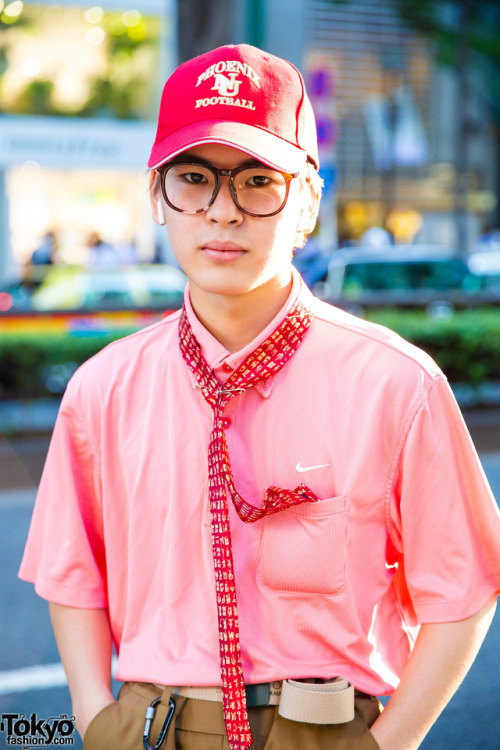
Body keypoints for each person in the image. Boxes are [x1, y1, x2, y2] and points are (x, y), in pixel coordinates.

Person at [19, 44, 500, 750]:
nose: (222, 211)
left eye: (256, 180)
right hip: (150, 726)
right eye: (193, 178)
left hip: (326, 726)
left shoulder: (396, 384)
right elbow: (71, 572)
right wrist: (97, 720)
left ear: (307, 199)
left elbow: (464, 588)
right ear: (158, 195)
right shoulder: (103, 389)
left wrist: (383, 744)